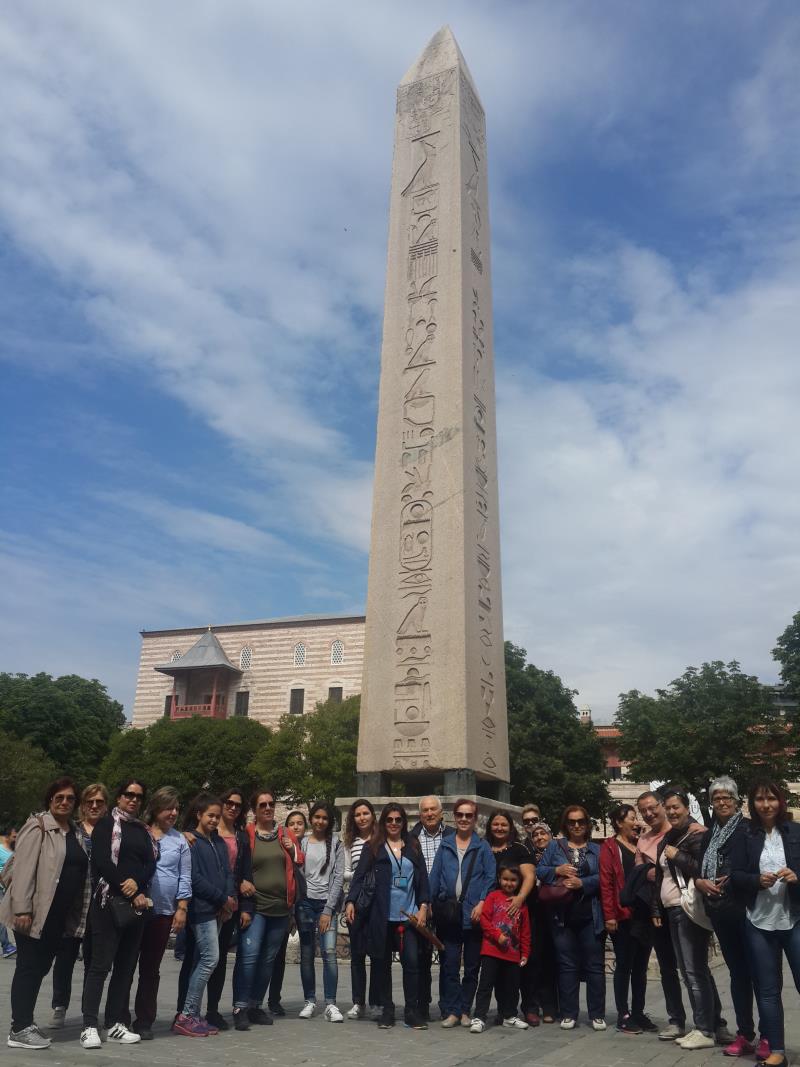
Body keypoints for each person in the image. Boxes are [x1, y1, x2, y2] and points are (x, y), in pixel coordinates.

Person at [3, 778, 90, 1051]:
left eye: (70, 798)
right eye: (59, 797)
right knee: (28, 967)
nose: (64, 802)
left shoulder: (74, 832)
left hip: (58, 917)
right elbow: (24, 869)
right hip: (33, 913)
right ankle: (19, 1028)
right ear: (50, 800)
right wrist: (22, 908)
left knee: (40, 968)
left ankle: (25, 1022)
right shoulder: (38, 826)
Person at [80, 778, 157, 1050]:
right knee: (100, 966)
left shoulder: (143, 830)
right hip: (108, 902)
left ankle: (114, 1022)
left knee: (125, 968)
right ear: (119, 797)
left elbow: (150, 863)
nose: (133, 799)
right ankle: (89, 1025)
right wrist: (128, 887)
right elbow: (102, 861)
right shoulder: (105, 824)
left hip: (136, 906)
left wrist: (137, 884)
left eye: (138, 796)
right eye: (128, 794)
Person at [730, 779, 800, 1067]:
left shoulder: (795, 831)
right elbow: (735, 875)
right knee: (768, 991)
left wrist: (796, 877)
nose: (766, 805)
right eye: (760, 799)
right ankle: (777, 1051)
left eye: (771, 798)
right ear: (752, 803)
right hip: (759, 922)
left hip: (793, 919)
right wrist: (756, 880)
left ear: (780, 801)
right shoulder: (745, 834)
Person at [697, 776, 767, 1059]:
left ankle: (769, 1034)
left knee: (760, 975)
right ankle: (745, 1033)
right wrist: (700, 881)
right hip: (720, 912)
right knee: (738, 975)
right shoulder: (709, 834)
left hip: (747, 911)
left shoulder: (750, 829)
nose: (722, 802)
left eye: (727, 797)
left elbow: (759, 867)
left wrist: (735, 878)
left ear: (737, 801)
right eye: (717, 798)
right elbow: (700, 869)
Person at [653, 786, 727, 1051]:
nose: (672, 812)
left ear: (686, 808)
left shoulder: (696, 834)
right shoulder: (669, 837)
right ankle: (713, 1024)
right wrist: (655, 909)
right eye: (668, 808)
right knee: (691, 971)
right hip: (673, 909)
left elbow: (704, 869)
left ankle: (704, 1029)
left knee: (694, 972)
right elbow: (660, 878)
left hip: (688, 909)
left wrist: (678, 856)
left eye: (676, 807)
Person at [345, 803, 430, 1030]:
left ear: (403, 822)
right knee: (381, 965)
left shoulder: (413, 845)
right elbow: (359, 876)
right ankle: (387, 1010)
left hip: (408, 917)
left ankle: (411, 1011)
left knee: (411, 963)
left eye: (398, 820)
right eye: (389, 820)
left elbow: (423, 879)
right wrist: (350, 901)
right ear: (383, 822)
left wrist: (423, 906)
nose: (393, 823)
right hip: (381, 916)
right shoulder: (373, 846)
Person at [231, 788, 303, 1030]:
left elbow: (299, 860)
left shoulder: (285, 834)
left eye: (271, 803)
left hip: (281, 908)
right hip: (256, 906)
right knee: (249, 957)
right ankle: (240, 1006)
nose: (268, 808)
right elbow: (236, 865)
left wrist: (291, 849)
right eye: (262, 805)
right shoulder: (246, 834)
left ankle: (255, 1005)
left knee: (267, 961)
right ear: (254, 809)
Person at [537, 804, 606, 1031]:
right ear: (565, 824)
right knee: (567, 965)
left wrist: (582, 883)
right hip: (562, 915)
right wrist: (556, 871)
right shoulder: (555, 846)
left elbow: (605, 878)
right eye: (572, 822)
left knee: (595, 965)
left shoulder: (596, 849)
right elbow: (540, 870)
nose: (577, 825)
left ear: (587, 824)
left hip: (591, 915)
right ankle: (569, 1013)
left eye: (581, 821)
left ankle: (597, 1014)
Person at [130, 787, 191, 1039]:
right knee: (126, 965)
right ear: (156, 809)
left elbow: (184, 876)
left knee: (150, 968)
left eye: (176, 808)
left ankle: (144, 1020)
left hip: (164, 911)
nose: (174, 813)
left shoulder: (180, 840)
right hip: (135, 908)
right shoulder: (139, 833)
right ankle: (118, 1016)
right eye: (168, 808)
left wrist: (182, 908)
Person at [173, 794, 235, 1037]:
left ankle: (194, 1015)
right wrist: (221, 898)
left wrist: (228, 899)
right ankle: (187, 1014)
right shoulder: (191, 842)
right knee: (210, 959)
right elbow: (194, 878)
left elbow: (228, 872)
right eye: (210, 815)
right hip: (202, 909)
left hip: (218, 908)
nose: (214, 820)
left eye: (217, 816)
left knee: (204, 960)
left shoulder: (218, 841)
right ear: (199, 815)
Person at [429, 798, 495, 1028]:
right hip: (449, 914)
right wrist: (430, 903)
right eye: (460, 815)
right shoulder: (445, 845)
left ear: (475, 819)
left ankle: (466, 1009)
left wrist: (483, 902)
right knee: (450, 965)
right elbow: (435, 876)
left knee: (472, 967)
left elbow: (490, 878)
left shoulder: (482, 846)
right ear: (454, 817)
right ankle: (454, 1010)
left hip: (473, 915)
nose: (464, 819)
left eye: (468, 815)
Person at [50, 783, 108, 1028]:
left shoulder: (111, 831)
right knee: (65, 959)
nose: (94, 806)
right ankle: (59, 1006)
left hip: (101, 905)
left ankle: (88, 1010)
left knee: (94, 962)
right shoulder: (72, 830)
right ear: (82, 805)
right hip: (72, 904)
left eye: (99, 802)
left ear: (106, 805)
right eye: (89, 802)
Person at [635, 789, 685, 1038]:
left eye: (652, 807)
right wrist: (649, 872)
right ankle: (676, 1019)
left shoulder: (681, 831)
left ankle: (712, 1021)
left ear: (662, 806)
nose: (649, 813)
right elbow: (639, 873)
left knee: (693, 967)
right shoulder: (642, 840)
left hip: (684, 905)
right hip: (657, 909)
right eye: (643, 810)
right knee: (667, 968)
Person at [600, 803, 651, 1034]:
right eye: (631, 818)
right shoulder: (610, 847)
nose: (636, 821)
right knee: (624, 965)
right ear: (619, 823)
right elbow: (606, 883)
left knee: (641, 967)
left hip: (644, 914)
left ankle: (639, 1012)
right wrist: (610, 915)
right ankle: (624, 1014)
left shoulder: (642, 843)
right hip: (623, 915)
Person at [297, 801, 345, 1021]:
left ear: (330, 821)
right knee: (307, 953)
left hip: (327, 905)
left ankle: (331, 1003)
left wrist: (328, 910)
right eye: (317, 817)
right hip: (305, 904)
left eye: (325, 818)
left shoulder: (336, 843)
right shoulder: (302, 842)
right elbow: (297, 874)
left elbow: (338, 878)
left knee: (330, 953)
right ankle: (309, 1000)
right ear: (311, 818)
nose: (320, 821)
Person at [470, 865, 531, 1032]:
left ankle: (509, 1015)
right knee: (486, 985)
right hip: (491, 951)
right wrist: (497, 936)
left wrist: (525, 953)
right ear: (499, 879)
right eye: (505, 879)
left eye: (513, 880)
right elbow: (484, 920)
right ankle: (479, 1017)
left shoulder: (521, 905)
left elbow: (525, 931)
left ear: (519, 882)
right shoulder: (493, 897)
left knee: (511, 987)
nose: (509, 883)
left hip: (513, 954)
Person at [410, 795, 454, 1022]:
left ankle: (447, 1005)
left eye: (433, 809)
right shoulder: (411, 838)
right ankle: (422, 1004)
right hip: (421, 905)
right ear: (420, 815)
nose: (429, 814)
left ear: (441, 813)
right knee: (421, 958)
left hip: (445, 903)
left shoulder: (452, 836)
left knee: (447, 957)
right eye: (425, 810)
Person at [342, 799, 380, 1019]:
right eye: (357, 814)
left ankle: (375, 1002)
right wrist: (362, 875)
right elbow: (346, 871)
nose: (362, 818)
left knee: (377, 955)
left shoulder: (381, 839)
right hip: (356, 901)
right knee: (357, 955)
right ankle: (358, 1002)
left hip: (377, 903)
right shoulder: (350, 842)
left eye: (366, 813)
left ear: (372, 815)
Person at [267, 810, 306, 1017]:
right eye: (292, 823)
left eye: (300, 823)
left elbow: (301, 862)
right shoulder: (278, 842)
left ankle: (274, 999)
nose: (296, 827)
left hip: (293, 906)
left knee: (279, 956)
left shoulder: (302, 845)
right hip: (277, 904)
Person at [520, 820, 558, 1025]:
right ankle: (531, 1006)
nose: (539, 837)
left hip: (555, 913)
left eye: (543, 833)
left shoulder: (559, 854)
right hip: (534, 913)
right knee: (533, 960)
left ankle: (551, 1006)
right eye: (535, 835)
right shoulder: (528, 857)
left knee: (551, 961)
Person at [0, 827, 16, 959]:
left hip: (8, 889)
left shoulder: (13, 850)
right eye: (14, 836)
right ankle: (6, 946)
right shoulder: (0, 849)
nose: (16, 838)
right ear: (7, 836)